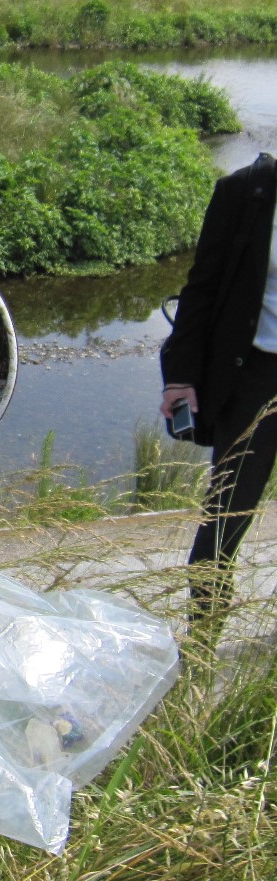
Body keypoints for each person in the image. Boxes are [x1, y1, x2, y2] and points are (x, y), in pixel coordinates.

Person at [160, 150, 277, 624]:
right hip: (254, 375)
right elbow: (202, 287)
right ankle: (203, 641)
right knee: (226, 514)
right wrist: (181, 376)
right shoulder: (243, 193)